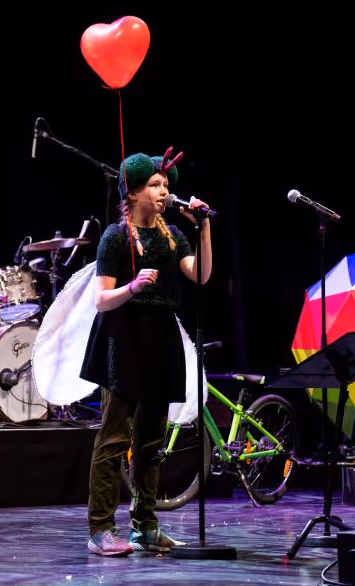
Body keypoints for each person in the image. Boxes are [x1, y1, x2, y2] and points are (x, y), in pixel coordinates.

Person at [79, 148, 212, 557]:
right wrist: (133, 286)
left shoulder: (173, 235)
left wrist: (204, 228)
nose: (163, 191)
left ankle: (145, 525)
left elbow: (201, 275)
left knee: (152, 439)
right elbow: (102, 300)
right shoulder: (116, 237)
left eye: (165, 185)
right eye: (154, 185)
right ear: (132, 193)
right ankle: (101, 527)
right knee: (115, 437)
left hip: (161, 338)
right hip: (125, 338)